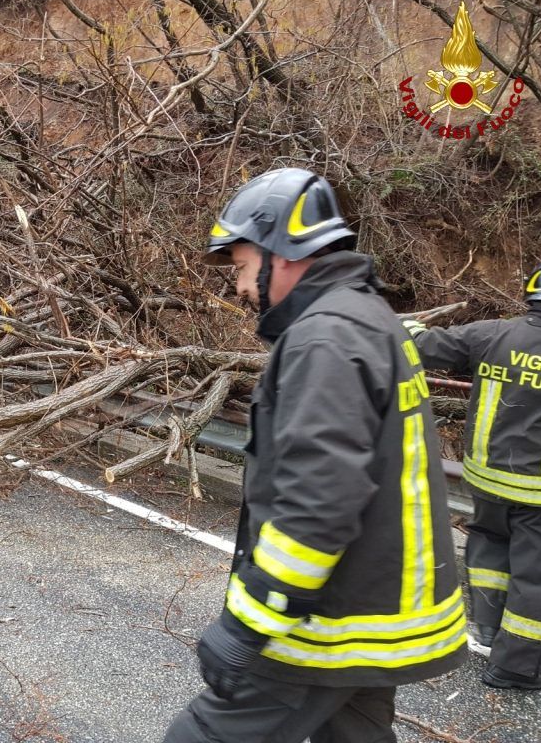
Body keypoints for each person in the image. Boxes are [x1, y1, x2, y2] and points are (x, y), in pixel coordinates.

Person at [164, 168, 466, 743]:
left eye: (244, 265)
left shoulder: (325, 338)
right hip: (376, 608)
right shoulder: (370, 319)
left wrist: (248, 622)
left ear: (284, 251)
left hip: (328, 621)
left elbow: (318, 500)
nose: (240, 286)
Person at [404, 254, 541, 690]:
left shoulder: (492, 334)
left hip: (485, 481)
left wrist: (403, 325)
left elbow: (421, 344)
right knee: (537, 581)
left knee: (490, 552)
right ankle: (513, 669)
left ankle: (488, 632)